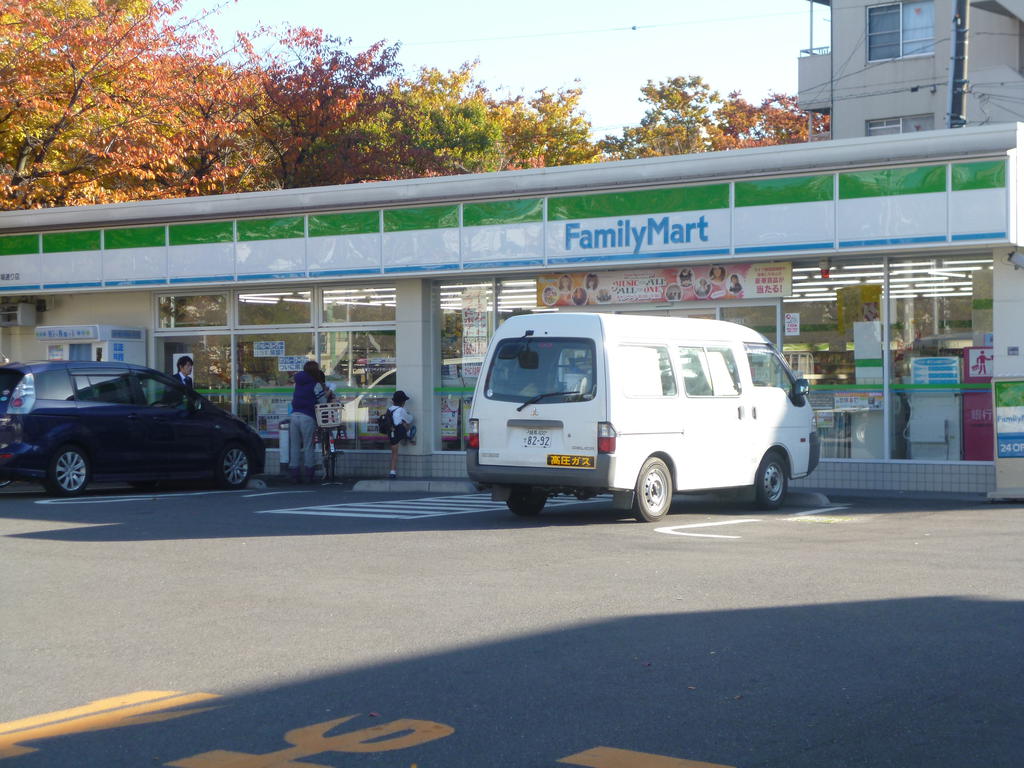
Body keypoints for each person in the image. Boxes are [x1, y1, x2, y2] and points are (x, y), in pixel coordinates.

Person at [289, 360, 320, 484]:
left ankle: (294, 474)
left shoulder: (298, 382)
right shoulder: (315, 384)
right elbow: (322, 400)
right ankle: (309, 474)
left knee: (295, 446)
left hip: (294, 416)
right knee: (308, 446)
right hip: (307, 417)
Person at [386, 390, 415, 479]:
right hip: (398, 432)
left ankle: (392, 471)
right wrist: (409, 414)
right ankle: (408, 435)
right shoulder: (401, 410)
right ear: (402, 402)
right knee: (407, 424)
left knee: (394, 453)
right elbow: (410, 419)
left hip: (390, 433)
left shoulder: (389, 409)